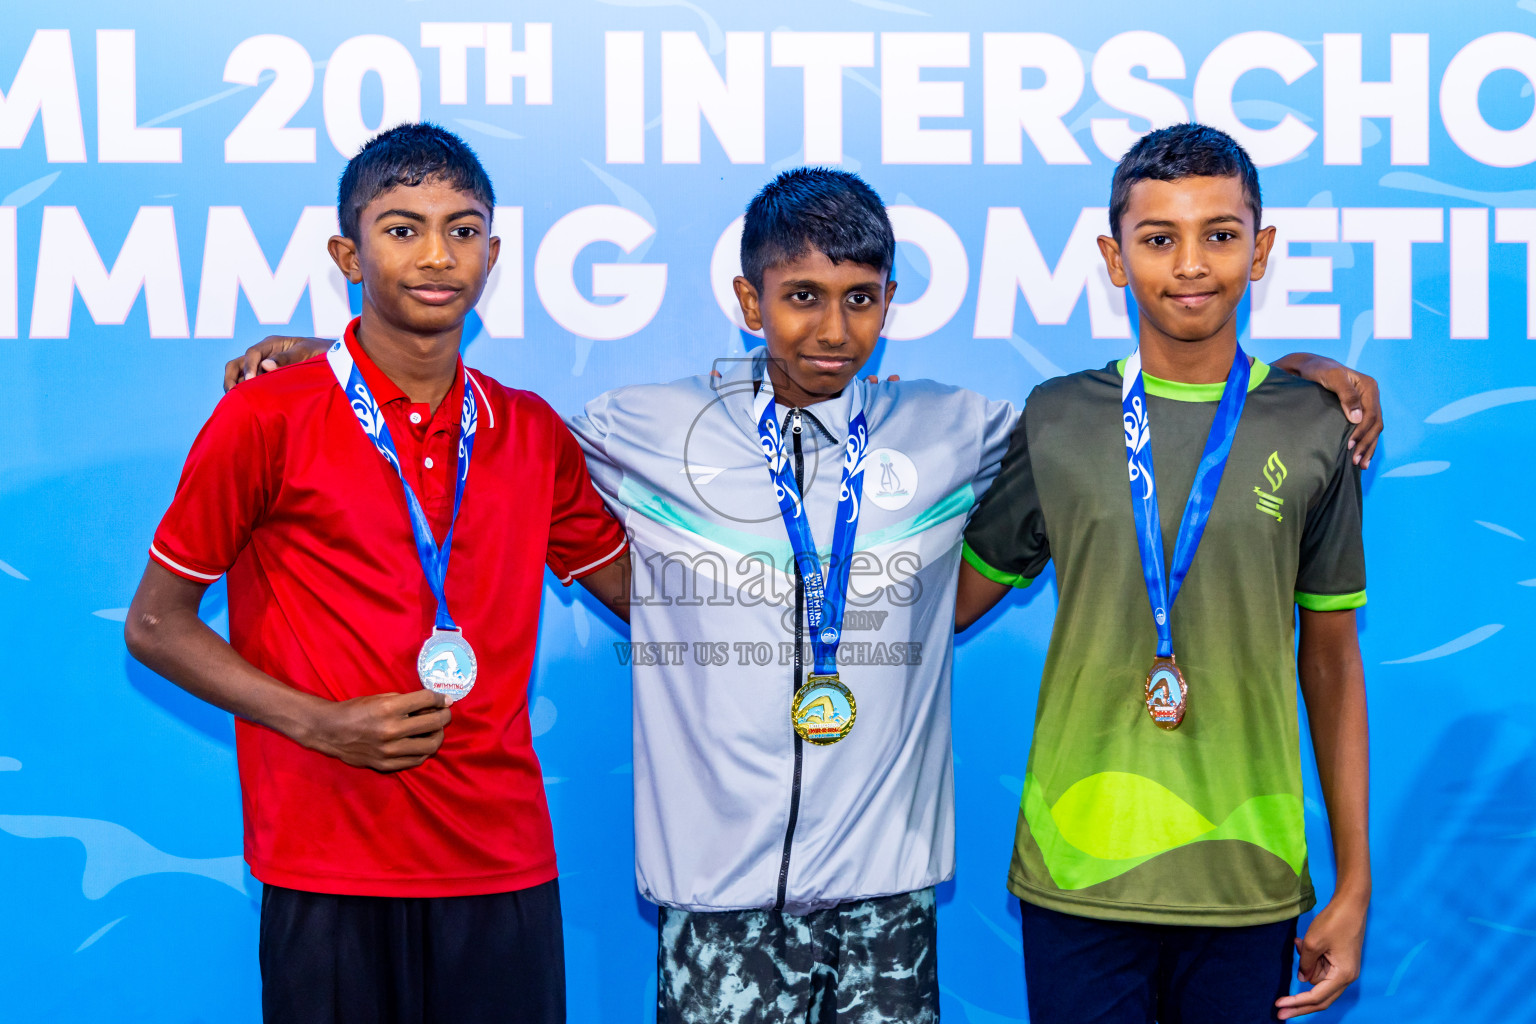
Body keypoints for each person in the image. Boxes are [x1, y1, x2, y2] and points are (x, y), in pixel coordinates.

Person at [223, 166, 1381, 1023]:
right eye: (801, 296)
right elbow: (476, 423)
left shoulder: (963, 426)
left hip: (885, 905)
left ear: (889, 305)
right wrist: (323, 362)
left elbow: (1144, 418)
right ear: (747, 296)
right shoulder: (641, 424)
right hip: (712, 903)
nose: (831, 328)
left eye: (862, 298)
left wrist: (1308, 378)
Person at [125, 123, 629, 1024]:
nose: (437, 255)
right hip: (327, 866)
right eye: (402, 230)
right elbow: (156, 624)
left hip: (501, 864)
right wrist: (319, 723)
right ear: (347, 255)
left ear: (494, 253)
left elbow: (651, 593)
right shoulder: (266, 417)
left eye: (462, 229)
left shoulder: (530, 431)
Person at [956, 124, 1371, 1024]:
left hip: (1247, 875)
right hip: (1078, 873)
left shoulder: (1312, 425)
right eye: (1158, 238)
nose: (1191, 264)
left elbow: (1332, 659)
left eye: (1220, 235)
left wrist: (1355, 881)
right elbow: (948, 602)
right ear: (1115, 258)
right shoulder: (1059, 416)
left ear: (1259, 252)